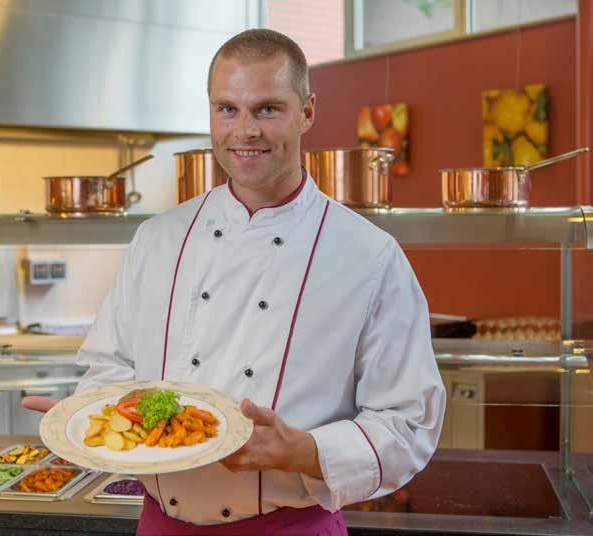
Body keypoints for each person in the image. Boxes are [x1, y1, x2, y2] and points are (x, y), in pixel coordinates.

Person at [24, 29, 445, 535]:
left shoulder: (369, 256)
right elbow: (109, 367)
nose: (244, 131)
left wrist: (306, 451)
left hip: (292, 528)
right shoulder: (157, 239)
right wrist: (91, 415)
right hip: (163, 526)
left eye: (267, 109)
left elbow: (408, 422)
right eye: (227, 109)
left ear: (307, 111)